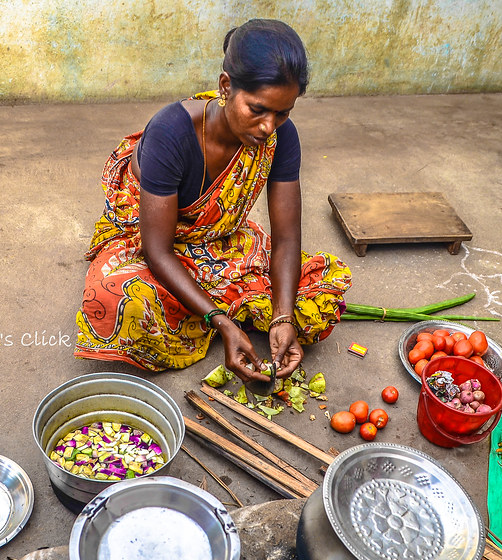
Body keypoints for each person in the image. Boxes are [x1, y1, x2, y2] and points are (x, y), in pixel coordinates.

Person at [75, 18, 352, 385]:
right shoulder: (172, 132)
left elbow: (286, 239)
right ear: (226, 86)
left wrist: (283, 317)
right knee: (118, 300)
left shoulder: (281, 137)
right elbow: (157, 250)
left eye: (282, 112)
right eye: (257, 109)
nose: (269, 126)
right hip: (149, 238)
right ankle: (219, 313)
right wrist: (220, 322)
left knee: (318, 292)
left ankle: (220, 307)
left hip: (215, 240)